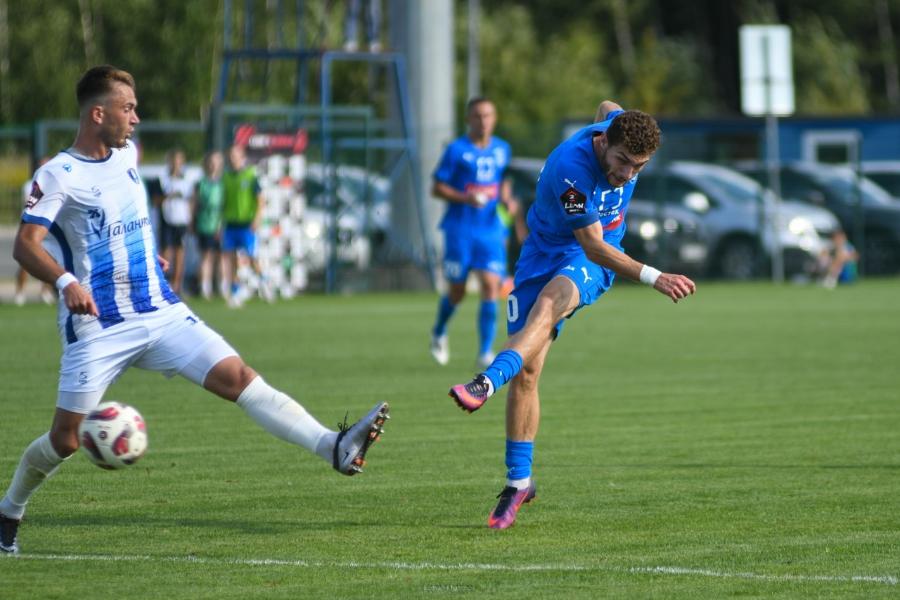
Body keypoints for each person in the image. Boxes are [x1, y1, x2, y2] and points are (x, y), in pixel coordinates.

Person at [0, 65, 389, 555]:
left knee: (240, 377)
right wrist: (66, 280)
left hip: (159, 309)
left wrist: (147, 254)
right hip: (100, 323)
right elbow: (26, 245)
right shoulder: (58, 174)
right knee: (66, 440)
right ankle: (10, 509)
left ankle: (332, 447)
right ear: (98, 114)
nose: (136, 119)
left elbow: (128, 222)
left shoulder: (128, 155)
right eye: (128, 109)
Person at [448, 101, 696, 530]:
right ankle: (519, 483)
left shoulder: (612, 129)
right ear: (604, 142)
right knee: (528, 373)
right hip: (552, 252)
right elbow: (592, 242)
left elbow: (609, 108)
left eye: (639, 167)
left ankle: (485, 382)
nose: (627, 175)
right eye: (622, 162)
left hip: (592, 262)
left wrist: (613, 118)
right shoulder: (572, 173)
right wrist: (656, 276)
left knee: (547, 306)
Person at [430, 97, 518, 369]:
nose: (483, 121)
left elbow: (504, 179)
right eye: (478, 116)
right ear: (468, 119)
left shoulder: (502, 148)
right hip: (460, 230)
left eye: (488, 115)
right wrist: (467, 197)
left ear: (495, 118)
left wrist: (506, 199)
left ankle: (485, 351)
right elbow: (437, 188)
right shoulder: (456, 150)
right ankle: (439, 331)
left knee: (492, 285)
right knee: (457, 291)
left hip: (491, 229)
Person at [221, 144, 268, 307]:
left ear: (242, 158)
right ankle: (235, 292)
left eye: (236, 156)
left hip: (247, 224)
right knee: (232, 259)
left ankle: (264, 283)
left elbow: (260, 200)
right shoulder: (225, 176)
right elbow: (223, 200)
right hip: (231, 223)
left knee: (252, 256)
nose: (233, 159)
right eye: (231, 156)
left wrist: (257, 218)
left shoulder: (250, 175)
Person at [14, 158, 56, 306]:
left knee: (49, 259)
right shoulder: (30, 185)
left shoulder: (54, 184)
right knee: (26, 260)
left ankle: (45, 291)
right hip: (32, 225)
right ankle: (20, 292)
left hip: (47, 227)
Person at [158, 148, 194, 294]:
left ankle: (177, 285)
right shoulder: (163, 179)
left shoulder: (187, 179)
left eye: (178, 161)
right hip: (167, 219)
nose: (175, 164)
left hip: (181, 220)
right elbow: (157, 199)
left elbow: (191, 200)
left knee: (180, 252)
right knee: (166, 252)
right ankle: (163, 282)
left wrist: (191, 219)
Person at [192, 150, 225, 299]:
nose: (213, 166)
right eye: (211, 163)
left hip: (220, 225)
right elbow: (194, 204)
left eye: (216, 163)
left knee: (222, 256)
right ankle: (205, 287)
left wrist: (222, 224)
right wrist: (192, 222)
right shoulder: (201, 183)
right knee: (206, 256)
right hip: (205, 224)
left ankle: (223, 286)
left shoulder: (223, 183)